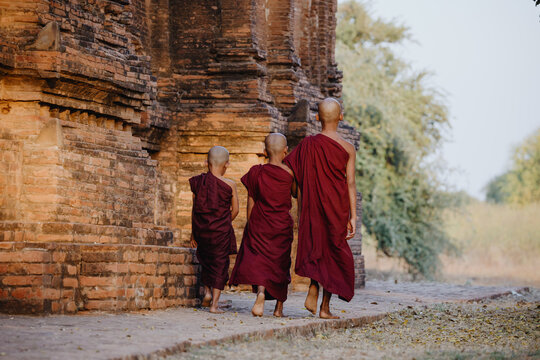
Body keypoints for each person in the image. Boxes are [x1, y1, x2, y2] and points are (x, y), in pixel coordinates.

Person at [284, 98, 357, 319]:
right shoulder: (347, 148)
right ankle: (325, 308)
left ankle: (313, 287)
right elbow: (350, 183)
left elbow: (291, 172)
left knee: (317, 247)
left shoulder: (307, 145)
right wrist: (353, 216)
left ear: (317, 118)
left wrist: (299, 195)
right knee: (335, 253)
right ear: (341, 117)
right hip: (337, 208)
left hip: (313, 206)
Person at [229, 133, 296, 317]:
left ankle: (260, 293)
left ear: (265, 152)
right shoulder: (289, 174)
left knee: (261, 262)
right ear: (285, 151)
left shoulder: (256, 172)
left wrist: (251, 225)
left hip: (260, 222)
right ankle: (278, 309)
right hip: (281, 224)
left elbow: (251, 201)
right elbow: (296, 193)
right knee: (281, 263)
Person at [189, 146, 239, 314]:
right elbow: (236, 210)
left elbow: (194, 209)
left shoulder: (198, 182)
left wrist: (193, 233)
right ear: (227, 164)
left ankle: (208, 292)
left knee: (206, 261)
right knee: (220, 264)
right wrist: (223, 222)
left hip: (202, 230)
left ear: (206, 163)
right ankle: (214, 306)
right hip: (221, 232)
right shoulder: (230, 184)